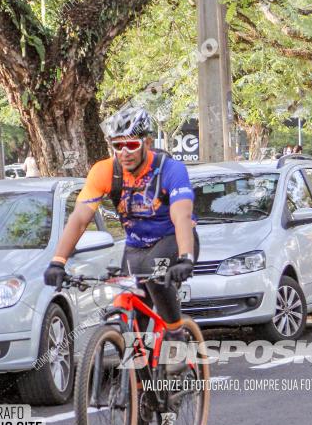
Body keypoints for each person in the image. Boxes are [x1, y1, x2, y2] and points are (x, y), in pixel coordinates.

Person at [43, 107, 198, 342]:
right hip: (135, 246)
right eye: (118, 145)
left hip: (173, 239)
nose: (124, 152)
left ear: (147, 142)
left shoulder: (170, 169)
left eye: (132, 145)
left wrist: (186, 257)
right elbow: (80, 218)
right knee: (129, 313)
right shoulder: (105, 171)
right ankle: (137, 369)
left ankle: (176, 335)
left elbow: (181, 216)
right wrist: (57, 262)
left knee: (156, 278)